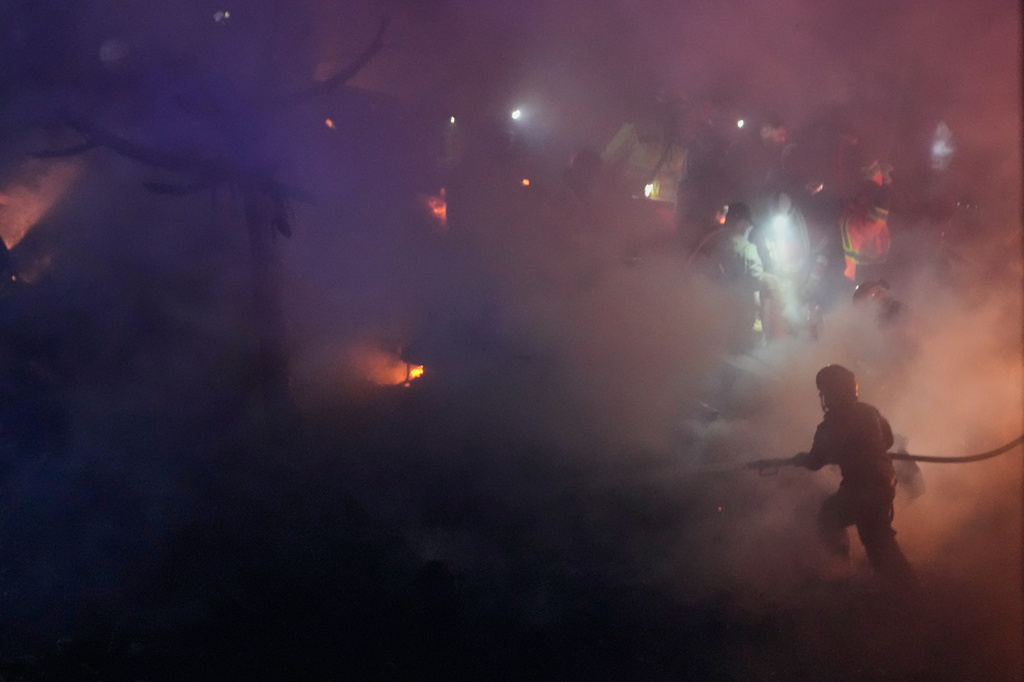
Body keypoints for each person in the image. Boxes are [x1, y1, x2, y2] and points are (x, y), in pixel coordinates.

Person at [793, 364, 916, 586]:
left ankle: (842, 572)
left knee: (829, 516)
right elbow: (887, 441)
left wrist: (800, 458)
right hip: (885, 485)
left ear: (830, 393)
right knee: (877, 539)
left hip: (860, 489)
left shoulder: (830, 424)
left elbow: (814, 462)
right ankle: (907, 587)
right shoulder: (871, 412)